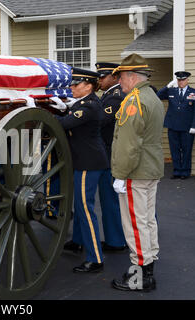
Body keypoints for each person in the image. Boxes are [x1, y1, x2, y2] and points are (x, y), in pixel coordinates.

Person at [110, 54, 164, 292]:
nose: (120, 82)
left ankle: (139, 276)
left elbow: (128, 144)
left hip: (135, 171)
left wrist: (120, 174)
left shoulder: (134, 101)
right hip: (150, 168)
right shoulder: (152, 96)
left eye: (121, 77)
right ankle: (149, 266)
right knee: (147, 220)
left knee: (135, 223)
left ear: (132, 77)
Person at [56, 68, 109, 273]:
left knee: (86, 210)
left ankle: (95, 258)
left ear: (88, 86)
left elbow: (64, 123)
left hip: (89, 162)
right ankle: (78, 241)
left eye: (75, 84)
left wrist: (37, 110)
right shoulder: (83, 103)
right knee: (80, 205)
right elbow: (71, 112)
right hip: (84, 160)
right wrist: (64, 106)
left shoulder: (90, 106)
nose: (71, 87)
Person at [95, 62, 127, 252]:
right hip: (108, 152)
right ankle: (115, 238)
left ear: (114, 77)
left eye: (103, 76)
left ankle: (116, 241)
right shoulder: (108, 95)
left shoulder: (116, 97)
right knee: (109, 199)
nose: (100, 80)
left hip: (110, 153)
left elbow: (102, 120)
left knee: (111, 200)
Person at [157, 71, 195, 180]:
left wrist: (194, 126)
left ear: (187, 80)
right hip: (173, 126)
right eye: (179, 80)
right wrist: (167, 86)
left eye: (183, 80)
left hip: (187, 127)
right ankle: (177, 171)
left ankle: (185, 172)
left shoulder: (194, 92)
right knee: (174, 150)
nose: (181, 82)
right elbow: (158, 96)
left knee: (186, 150)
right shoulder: (172, 91)